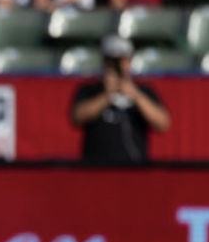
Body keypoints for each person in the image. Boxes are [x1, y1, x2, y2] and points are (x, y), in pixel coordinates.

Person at [70, 34, 170, 164]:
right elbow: (77, 117)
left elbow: (163, 123)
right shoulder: (90, 89)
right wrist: (107, 95)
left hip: (133, 167)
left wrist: (135, 95)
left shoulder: (143, 91)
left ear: (129, 61)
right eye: (111, 61)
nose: (117, 66)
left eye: (121, 60)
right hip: (96, 166)